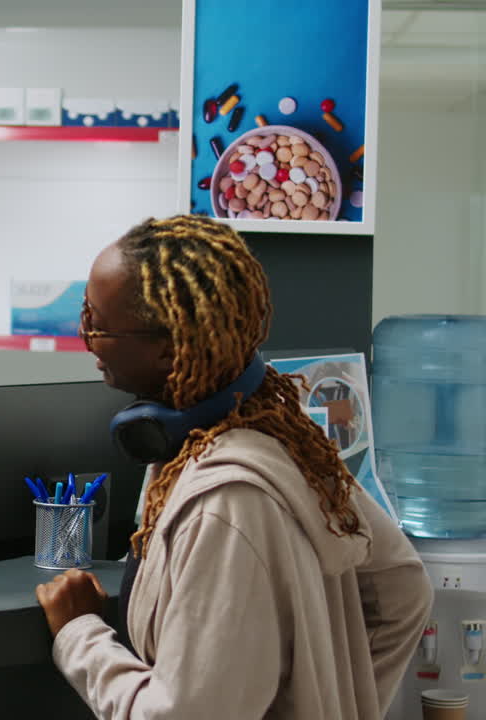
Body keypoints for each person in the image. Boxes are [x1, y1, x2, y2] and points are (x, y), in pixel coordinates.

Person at [35, 215, 431, 718]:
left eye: (96, 322)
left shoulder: (223, 506)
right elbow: (403, 589)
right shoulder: (282, 439)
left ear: (164, 345)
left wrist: (79, 635)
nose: (85, 337)